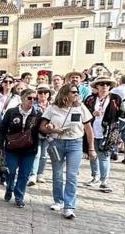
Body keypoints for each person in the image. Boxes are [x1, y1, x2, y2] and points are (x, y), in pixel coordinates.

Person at [40, 84, 94, 219]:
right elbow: (42, 127)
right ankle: (58, 200)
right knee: (57, 174)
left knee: (72, 175)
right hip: (57, 142)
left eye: (77, 92)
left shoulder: (81, 108)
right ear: (65, 93)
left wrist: (91, 148)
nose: (76, 94)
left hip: (75, 143)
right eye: (73, 92)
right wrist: (52, 129)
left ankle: (69, 206)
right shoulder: (53, 108)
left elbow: (88, 129)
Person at [0, 88, 41, 207]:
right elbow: (2, 130)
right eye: (29, 98)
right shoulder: (11, 112)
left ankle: (19, 196)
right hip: (12, 147)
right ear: (22, 98)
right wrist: (0, 145)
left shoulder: (37, 114)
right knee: (10, 171)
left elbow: (41, 130)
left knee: (24, 174)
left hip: (29, 149)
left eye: (34, 99)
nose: (32, 101)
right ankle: (9, 188)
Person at [84, 76, 121, 193]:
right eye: (102, 84)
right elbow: (84, 112)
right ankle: (95, 176)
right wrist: (92, 113)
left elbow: (121, 113)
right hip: (92, 130)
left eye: (107, 84)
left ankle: (104, 180)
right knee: (92, 154)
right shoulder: (90, 99)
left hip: (109, 131)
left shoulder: (115, 99)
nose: (104, 86)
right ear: (97, 87)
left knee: (104, 156)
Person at [29, 86, 53, 186]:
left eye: (45, 92)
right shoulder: (34, 106)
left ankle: (40, 174)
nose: (42, 94)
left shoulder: (52, 106)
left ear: (48, 94)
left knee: (44, 155)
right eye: (40, 92)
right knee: (36, 154)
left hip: (48, 134)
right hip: (36, 133)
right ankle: (33, 174)